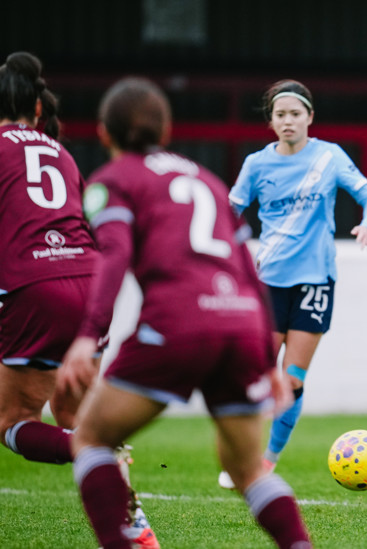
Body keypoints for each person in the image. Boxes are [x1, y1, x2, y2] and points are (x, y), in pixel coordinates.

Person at [57, 77, 311, 549]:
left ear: (103, 134)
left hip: (177, 325)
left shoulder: (112, 181)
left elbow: (111, 257)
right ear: (167, 130)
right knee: (248, 471)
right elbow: (247, 270)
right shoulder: (206, 179)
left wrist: (86, 337)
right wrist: (262, 355)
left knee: (89, 439)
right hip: (238, 325)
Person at [0, 53, 158, 547]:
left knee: (12, 423)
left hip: (36, 288)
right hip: (90, 285)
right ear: (39, 111)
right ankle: (133, 530)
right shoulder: (60, 153)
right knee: (76, 419)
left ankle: (103, 458)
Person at [218, 79, 367, 490]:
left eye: (295, 113)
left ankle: (267, 460)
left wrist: (366, 224)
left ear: (309, 117)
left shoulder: (329, 157)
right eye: (280, 114)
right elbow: (228, 213)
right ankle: (245, 453)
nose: (288, 121)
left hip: (315, 281)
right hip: (269, 281)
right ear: (270, 121)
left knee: (291, 378)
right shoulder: (257, 164)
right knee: (258, 376)